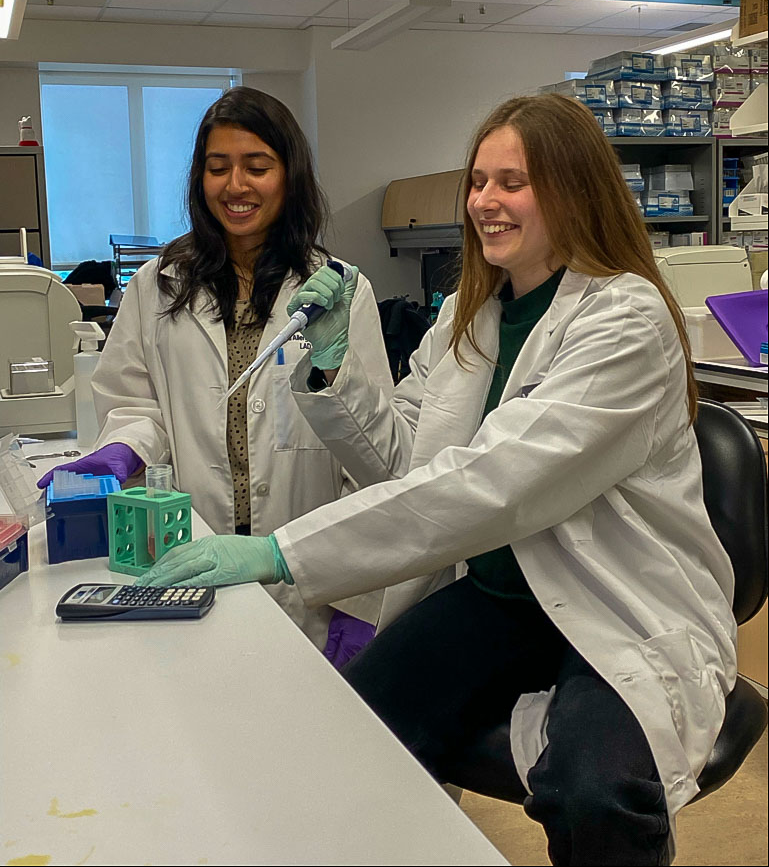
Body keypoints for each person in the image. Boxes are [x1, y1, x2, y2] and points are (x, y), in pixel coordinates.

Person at [141, 94, 736, 865]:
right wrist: (331, 366)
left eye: (512, 182)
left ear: (572, 188)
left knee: (593, 789)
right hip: (500, 594)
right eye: (478, 180)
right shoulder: (470, 311)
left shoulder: (624, 319)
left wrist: (283, 552)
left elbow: (498, 482)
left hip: (615, 598)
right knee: (362, 727)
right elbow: (405, 464)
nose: (485, 201)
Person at [38, 86, 392, 660]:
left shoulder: (340, 291)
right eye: (217, 167)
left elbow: (369, 453)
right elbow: (135, 405)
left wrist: (358, 598)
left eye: (257, 166)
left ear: (290, 175)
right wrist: (122, 450)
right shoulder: (158, 285)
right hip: (188, 558)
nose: (235, 186)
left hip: (305, 575)